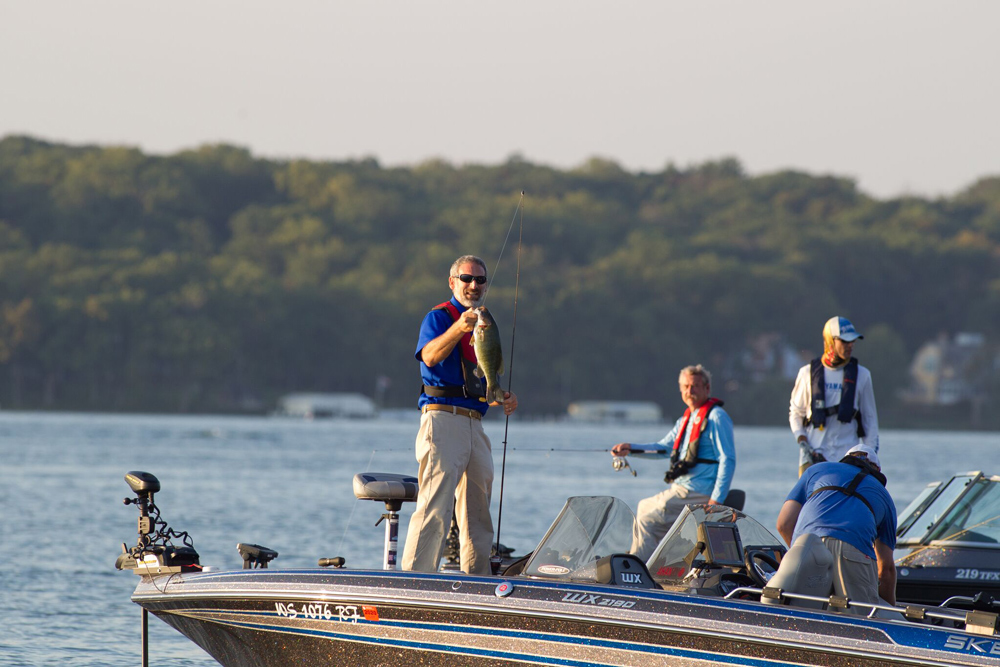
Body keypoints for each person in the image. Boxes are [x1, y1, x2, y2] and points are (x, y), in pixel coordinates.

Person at [402, 255, 518, 575]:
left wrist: (502, 398)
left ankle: (475, 589)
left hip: (475, 425)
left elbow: (481, 382)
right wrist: (459, 328)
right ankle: (415, 583)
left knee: (479, 517)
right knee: (434, 508)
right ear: (453, 282)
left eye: (480, 280)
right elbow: (429, 356)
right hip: (442, 420)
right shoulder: (439, 317)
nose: (474, 285)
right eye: (467, 278)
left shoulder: (485, 325)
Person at [610, 365, 736, 561]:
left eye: (694, 386)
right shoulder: (686, 419)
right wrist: (631, 449)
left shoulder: (716, 417)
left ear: (707, 388)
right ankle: (660, 565)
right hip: (682, 489)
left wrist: (716, 501)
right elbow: (664, 448)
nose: (690, 391)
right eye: (685, 386)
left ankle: (640, 568)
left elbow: (728, 460)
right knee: (648, 511)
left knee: (647, 514)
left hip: (698, 492)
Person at [775, 444, 897, 609]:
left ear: (844, 461)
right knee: (861, 624)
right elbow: (886, 569)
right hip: (852, 551)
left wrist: (804, 554)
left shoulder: (816, 470)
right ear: (878, 470)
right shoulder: (884, 496)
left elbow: (784, 524)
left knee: (797, 612)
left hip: (806, 545)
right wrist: (889, 610)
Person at [789, 316, 879, 477]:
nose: (850, 345)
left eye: (853, 341)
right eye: (844, 341)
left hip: (847, 461)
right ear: (830, 341)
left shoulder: (863, 376)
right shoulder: (806, 373)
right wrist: (801, 439)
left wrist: (870, 458)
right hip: (812, 458)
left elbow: (870, 422)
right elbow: (795, 413)